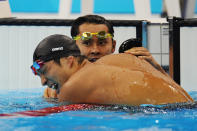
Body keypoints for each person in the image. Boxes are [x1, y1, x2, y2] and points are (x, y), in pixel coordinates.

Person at [31, 34, 194, 105]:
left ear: (69, 61)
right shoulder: (115, 60)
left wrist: (54, 99)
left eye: (44, 72)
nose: (43, 81)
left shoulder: (73, 86)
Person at [42, 15, 170, 98]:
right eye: (87, 43)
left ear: (113, 46)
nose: (95, 50)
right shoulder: (55, 90)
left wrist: (156, 69)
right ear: (73, 47)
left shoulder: (131, 70)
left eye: (102, 42)